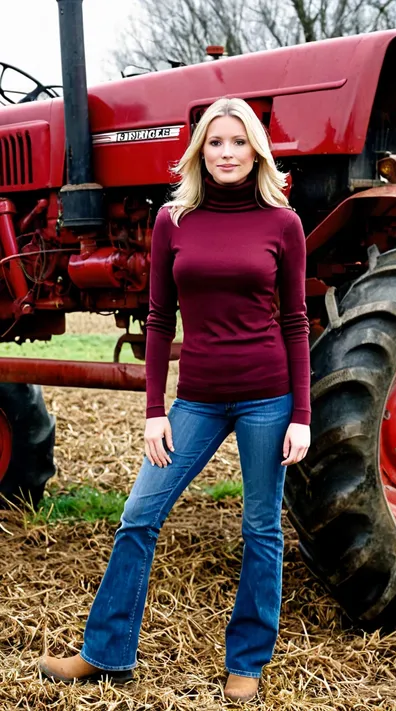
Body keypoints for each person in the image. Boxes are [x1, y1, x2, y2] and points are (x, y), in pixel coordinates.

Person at [38, 97, 311, 702]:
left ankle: (247, 660)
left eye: (239, 142)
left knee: (260, 527)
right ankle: (105, 652)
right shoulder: (173, 220)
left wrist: (302, 415)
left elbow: (295, 321)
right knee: (139, 514)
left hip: (268, 397)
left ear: (256, 151)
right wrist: (154, 410)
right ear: (199, 151)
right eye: (216, 143)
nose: (228, 153)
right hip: (197, 400)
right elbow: (159, 319)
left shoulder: (282, 224)